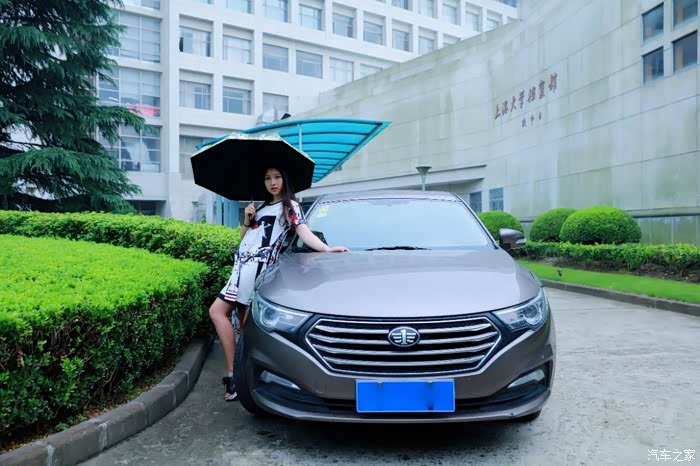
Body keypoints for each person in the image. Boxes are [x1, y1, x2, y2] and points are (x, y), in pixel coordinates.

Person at [209, 167, 349, 401]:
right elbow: (245, 239)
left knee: (242, 324)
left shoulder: (290, 206)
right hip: (241, 267)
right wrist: (247, 220)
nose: (272, 182)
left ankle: (238, 378)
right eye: (267, 178)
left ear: (285, 179)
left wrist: (327, 249)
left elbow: (304, 232)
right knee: (220, 314)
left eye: (277, 177)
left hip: (259, 268)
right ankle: (235, 375)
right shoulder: (261, 207)